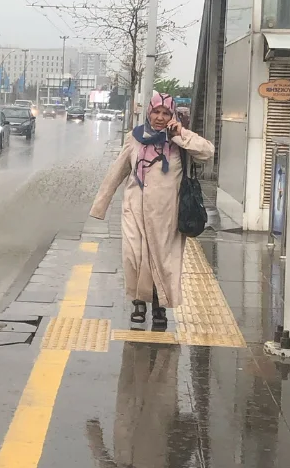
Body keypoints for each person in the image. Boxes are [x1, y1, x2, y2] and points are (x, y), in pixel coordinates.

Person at [89, 93, 215, 329]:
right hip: (134, 208)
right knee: (133, 257)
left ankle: (159, 305)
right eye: (156, 112)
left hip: (166, 213)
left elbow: (208, 152)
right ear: (148, 112)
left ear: (172, 115)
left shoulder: (179, 140)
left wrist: (181, 135)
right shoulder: (134, 138)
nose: (159, 117)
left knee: (161, 261)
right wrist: (100, 205)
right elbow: (117, 172)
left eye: (165, 113)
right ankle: (139, 302)